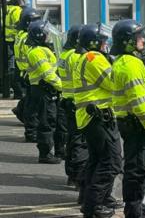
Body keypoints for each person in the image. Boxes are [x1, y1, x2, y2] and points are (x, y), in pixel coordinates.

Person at [110, 19, 145, 217]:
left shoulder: (126, 62)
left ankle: (140, 210)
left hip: (133, 125)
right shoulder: (131, 65)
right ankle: (136, 212)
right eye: (138, 36)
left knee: (139, 171)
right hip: (140, 126)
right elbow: (140, 103)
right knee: (139, 172)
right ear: (128, 42)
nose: (142, 39)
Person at [73, 24, 122, 218]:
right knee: (111, 162)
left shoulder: (86, 57)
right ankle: (94, 206)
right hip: (98, 117)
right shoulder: (94, 58)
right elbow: (113, 84)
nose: (106, 45)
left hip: (91, 117)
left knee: (96, 159)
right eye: (103, 42)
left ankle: (90, 198)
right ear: (94, 43)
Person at [24, 20, 62, 164]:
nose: (48, 36)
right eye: (46, 34)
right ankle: (45, 154)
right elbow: (48, 74)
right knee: (47, 121)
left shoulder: (42, 49)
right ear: (39, 35)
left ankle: (50, 151)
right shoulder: (36, 52)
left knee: (51, 120)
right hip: (42, 89)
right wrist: (62, 87)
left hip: (46, 89)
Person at [58, 25, 88, 195]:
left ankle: (71, 173)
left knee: (72, 139)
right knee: (80, 141)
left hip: (67, 99)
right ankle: (78, 176)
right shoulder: (76, 57)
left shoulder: (64, 54)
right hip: (77, 101)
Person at [12, 7, 41, 139]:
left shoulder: (20, 35)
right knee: (33, 104)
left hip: (24, 71)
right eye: (36, 21)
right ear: (29, 23)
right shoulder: (26, 38)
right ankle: (31, 131)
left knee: (30, 99)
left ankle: (19, 110)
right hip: (29, 72)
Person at [5, 0, 30, 99]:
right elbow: (20, 24)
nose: (23, 1)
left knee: (13, 66)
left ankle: (17, 91)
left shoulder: (9, 8)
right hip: (15, 40)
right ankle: (18, 91)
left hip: (10, 41)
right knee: (16, 67)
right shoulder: (16, 10)